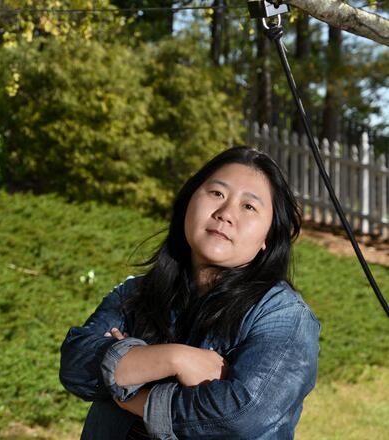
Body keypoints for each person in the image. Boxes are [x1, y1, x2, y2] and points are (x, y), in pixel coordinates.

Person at [59, 146, 320, 439]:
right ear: (188, 204)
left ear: (268, 239)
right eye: (217, 194)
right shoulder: (137, 292)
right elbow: (74, 365)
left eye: (249, 207)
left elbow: (240, 417)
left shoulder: (283, 317)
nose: (225, 214)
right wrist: (176, 359)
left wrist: (129, 392)